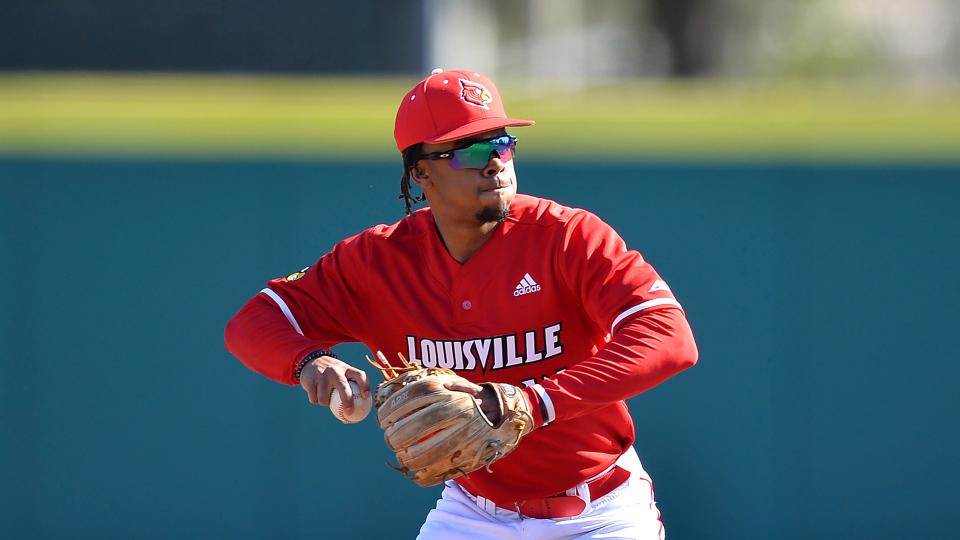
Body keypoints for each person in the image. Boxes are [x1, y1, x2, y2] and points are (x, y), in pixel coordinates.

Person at [225, 68, 698, 539]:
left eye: (502, 143)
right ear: (421, 172)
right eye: (470, 149)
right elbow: (254, 321)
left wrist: (533, 402)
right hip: (473, 513)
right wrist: (309, 362)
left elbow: (670, 338)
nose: (494, 161)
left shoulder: (567, 237)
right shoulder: (378, 262)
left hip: (599, 511)